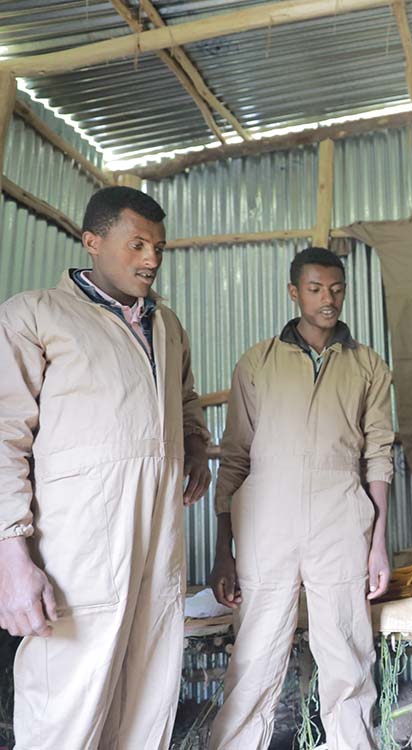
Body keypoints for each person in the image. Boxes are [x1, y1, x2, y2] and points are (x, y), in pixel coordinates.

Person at [0, 186, 211, 749]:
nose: (151, 260)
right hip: (80, 545)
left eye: (159, 248)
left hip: (158, 539)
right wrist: (11, 554)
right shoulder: (35, 315)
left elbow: (183, 396)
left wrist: (194, 441)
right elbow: (4, 437)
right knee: (68, 699)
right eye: (137, 244)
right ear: (92, 242)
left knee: (148, 691)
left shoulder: (165, 325)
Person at [208, 247, 394, 750]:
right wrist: (222, 548)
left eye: (336, 289)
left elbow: (378, 457)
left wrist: (378, 545)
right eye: (315, 289)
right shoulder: (258, 362)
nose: (327, 299)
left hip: (340, 516)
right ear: (295, 292)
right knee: (255, 654)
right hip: (264, 520)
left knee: (347, 654)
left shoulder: (368, 366)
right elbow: (235, 457)